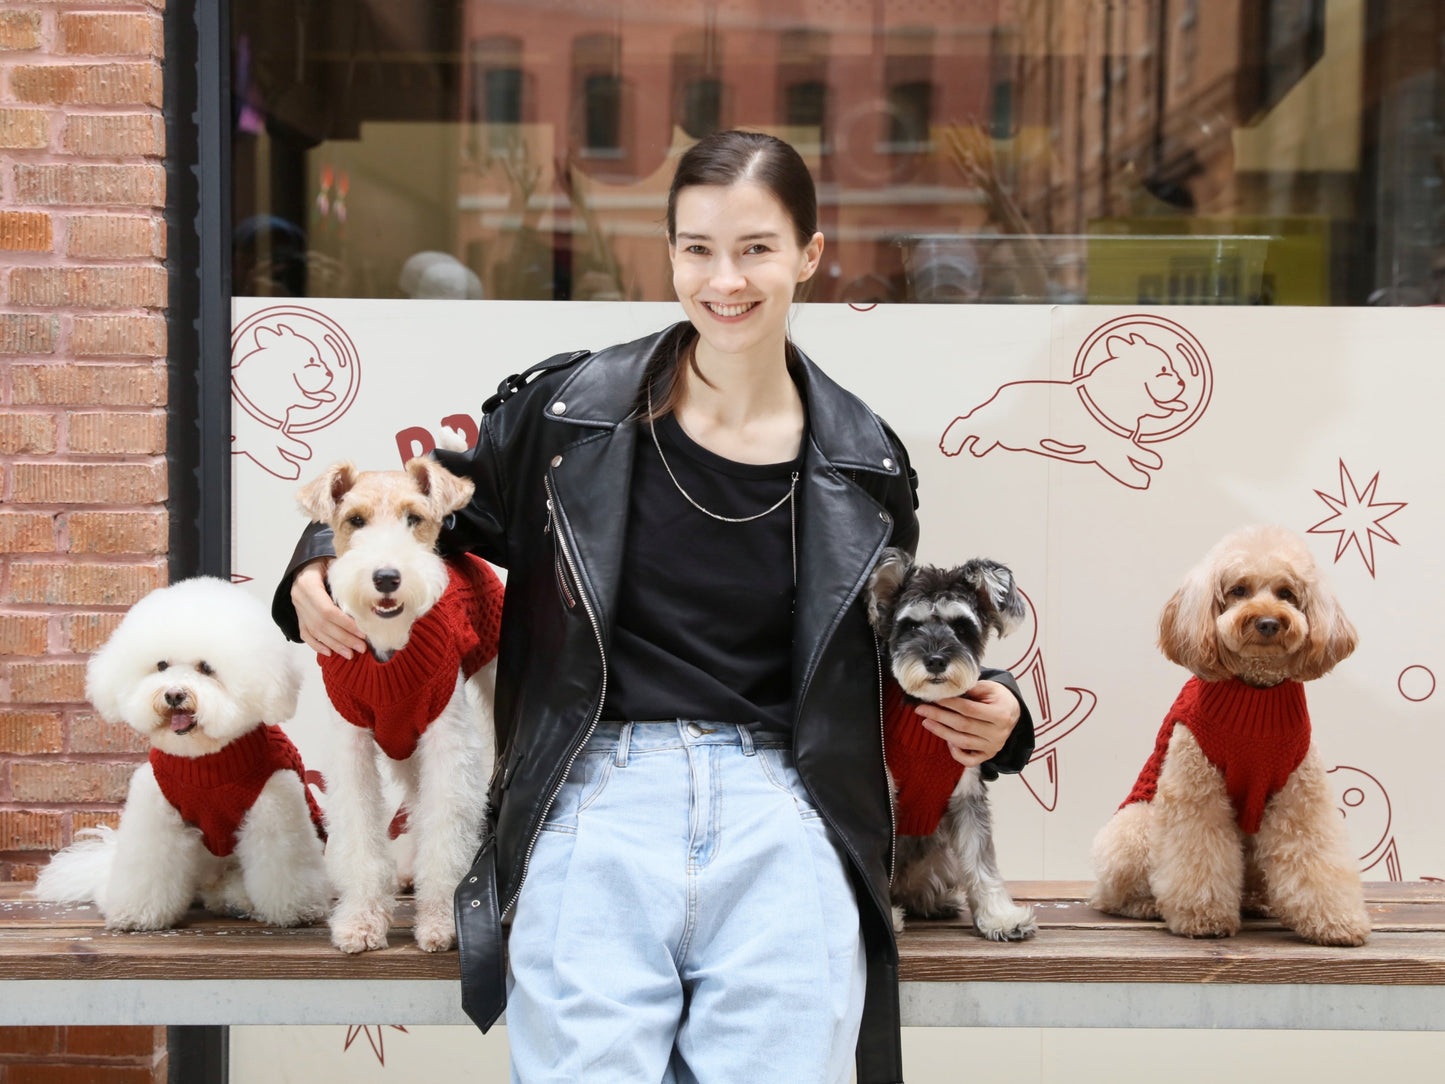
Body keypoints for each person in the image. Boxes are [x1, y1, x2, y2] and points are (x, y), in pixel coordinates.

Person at [274, 130, 1034, 1084]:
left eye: (756, 248)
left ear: (808, 254)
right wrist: (314, 558)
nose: (726, 279)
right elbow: (426, 510)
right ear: (669, 254)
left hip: (782, 802)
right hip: (596, 792)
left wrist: (1002, 714)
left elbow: (893, 639)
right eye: (698, 248)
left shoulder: (862, 460)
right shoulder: (567, 415)